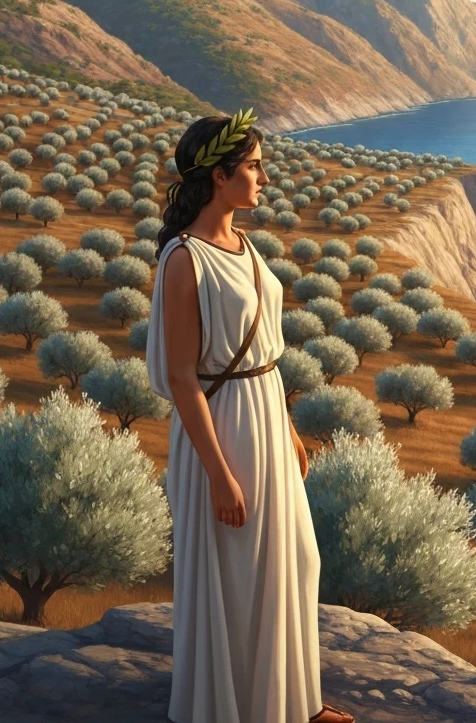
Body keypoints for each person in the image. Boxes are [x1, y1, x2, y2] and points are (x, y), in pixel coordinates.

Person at [146, 108, 355, 723]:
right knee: (235, 577)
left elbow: (265, 352)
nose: (264, 178)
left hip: (264, 415)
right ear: (218, 176)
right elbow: (183, 378)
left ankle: (293, 703)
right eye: (255, 167)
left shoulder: (245, 244)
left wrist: (288, 427)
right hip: (223, 428)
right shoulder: (184, 260)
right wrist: (218, 475)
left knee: (292, 560)